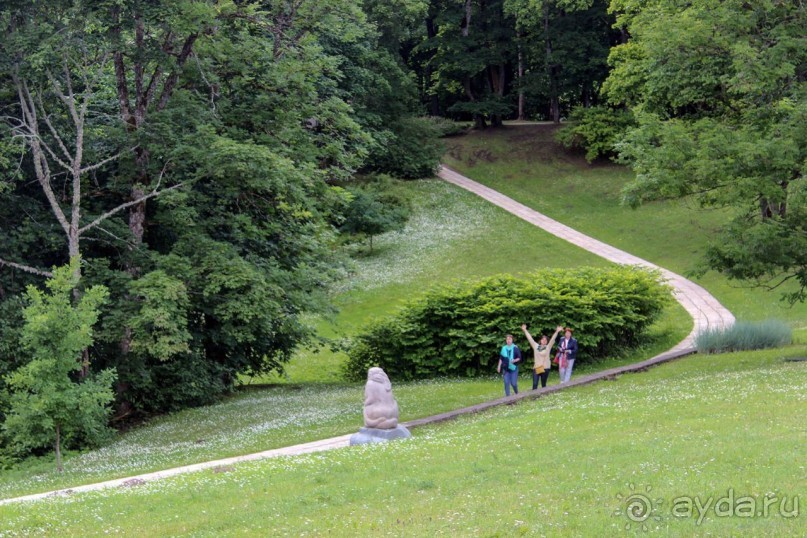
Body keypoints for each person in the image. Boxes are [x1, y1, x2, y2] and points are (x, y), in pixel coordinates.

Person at [522, 324, 563, 389]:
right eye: (542, 339)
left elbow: (552, 339)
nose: (544, 341)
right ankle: (534, 397)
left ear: (547, 342)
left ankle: (543, 397)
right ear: (540, 340)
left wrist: (557, 331)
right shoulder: (536, 346)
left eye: (545, 340)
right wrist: (525, 330)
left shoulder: (548, 347)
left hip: (545, 368)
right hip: (537, 367)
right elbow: (530, 339)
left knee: (543, 384)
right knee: (535, 384)